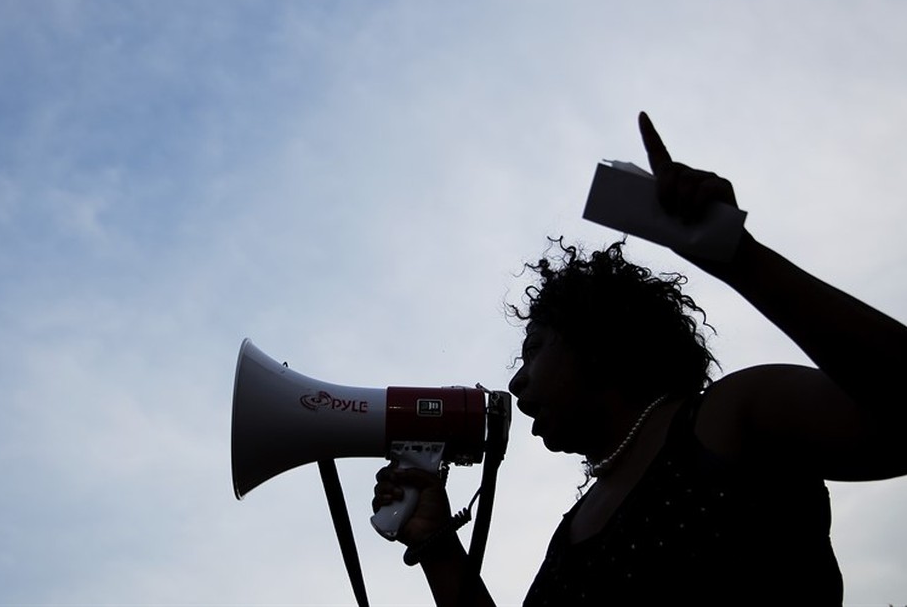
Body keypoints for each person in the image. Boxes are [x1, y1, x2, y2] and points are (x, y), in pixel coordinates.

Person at [372, 112, 907, 606]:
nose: (516, 380)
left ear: (600, 343)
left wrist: (739, 258)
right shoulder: (575, 527)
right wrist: (439, 547)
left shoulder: (732, 418)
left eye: (534, 349)